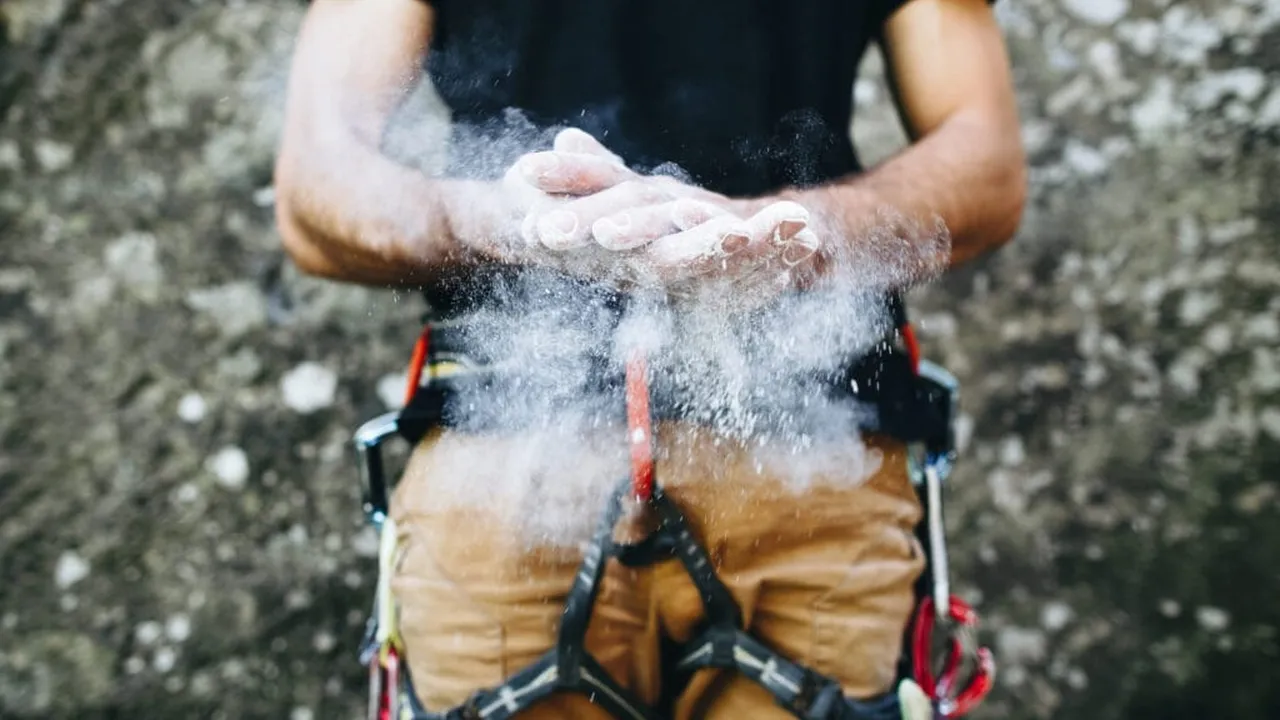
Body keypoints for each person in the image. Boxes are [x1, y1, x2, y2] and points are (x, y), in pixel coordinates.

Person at [273, 0, 1026, 718]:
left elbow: (988, 168)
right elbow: (315, 189)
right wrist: (495, 222)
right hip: (736, 460)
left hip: (733, 460)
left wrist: (787, 232)